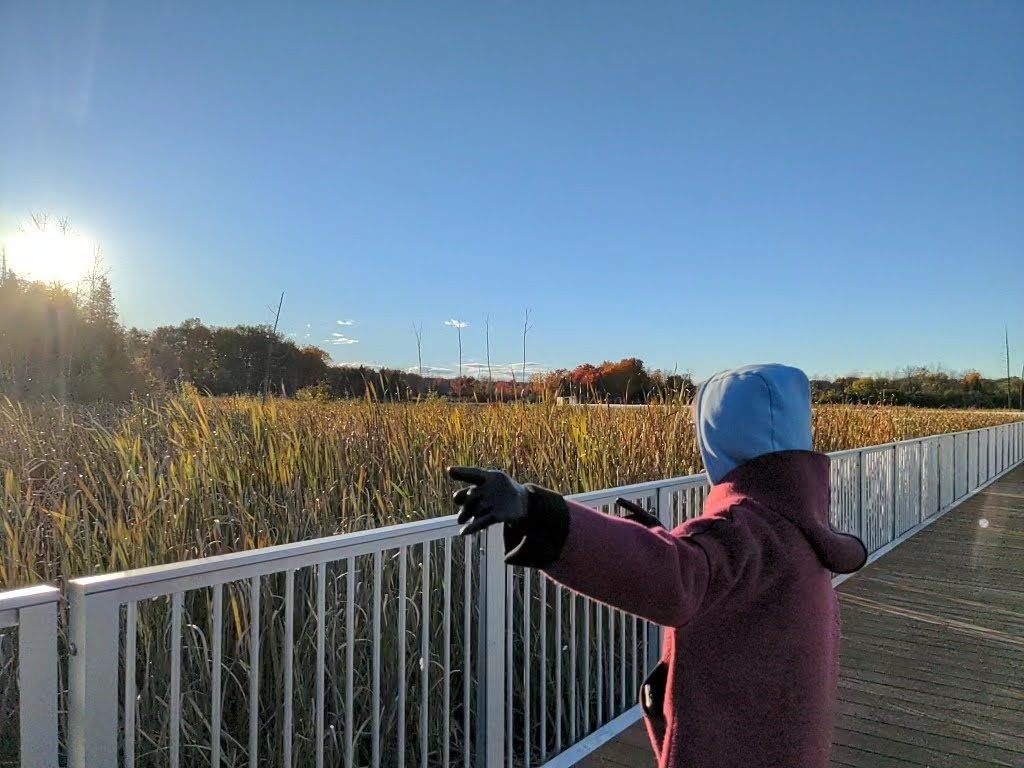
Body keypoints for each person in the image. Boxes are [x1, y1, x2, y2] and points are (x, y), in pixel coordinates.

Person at [449, 363, 867, 768]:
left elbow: (677, 578)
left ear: (720, 443)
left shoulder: (747, 529)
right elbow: (723, 579)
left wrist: (536, 511)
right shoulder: (798, 523)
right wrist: (667, 539)